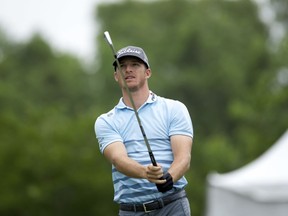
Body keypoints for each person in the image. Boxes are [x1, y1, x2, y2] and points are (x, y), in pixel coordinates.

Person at [94, 45, 193, 216]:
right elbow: (118, 159)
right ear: (116, 76)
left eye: (135, 65)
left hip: (172, 206)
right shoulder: (106, 120)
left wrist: (169, 177)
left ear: (148, 72)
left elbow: (184, 158)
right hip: (131, 210)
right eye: (122, 66)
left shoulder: (174, 108)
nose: (128, 70)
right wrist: (146, 173)